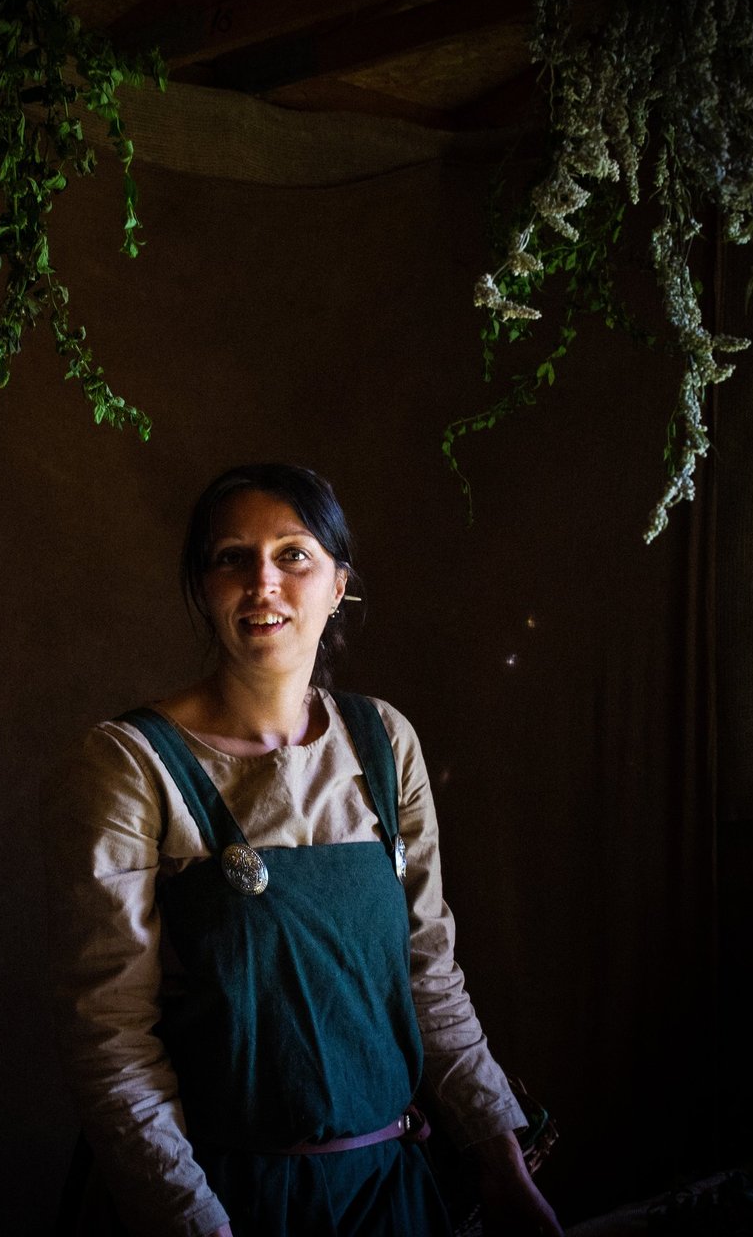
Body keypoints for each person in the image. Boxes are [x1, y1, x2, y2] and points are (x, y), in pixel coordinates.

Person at [43, 464, 562, 1237]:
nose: (263, 582)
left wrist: (502, 1164)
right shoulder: (130, 764)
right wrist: (192, 1221)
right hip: (223, 1197)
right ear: (203, 587)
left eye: (293, 554)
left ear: (338, 584)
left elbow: (429, 976)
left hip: (388, 1197)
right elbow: (111, 1040)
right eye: (232, 558)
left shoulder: (384, 743)